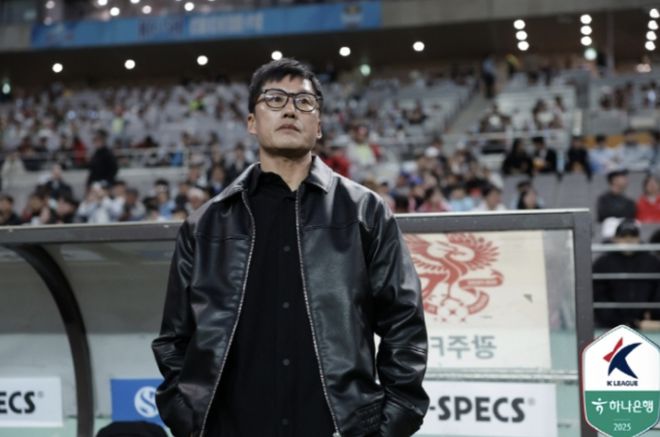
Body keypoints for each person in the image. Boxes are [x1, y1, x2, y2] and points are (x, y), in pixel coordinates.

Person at [152, 58, 429, 437]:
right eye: (274, 99)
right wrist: (185, 413)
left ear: (319, 125)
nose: (289, 110)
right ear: (252, 122)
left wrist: (392, 420)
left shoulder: (365, 212)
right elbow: (173, 338)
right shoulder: (206, 224)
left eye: (304, 102)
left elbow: (404, 323)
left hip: (336, 427)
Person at [593, 219, 660, 330]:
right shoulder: (602, 263)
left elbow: (657, 292)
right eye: (623, 236)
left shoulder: (652, 262)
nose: (628, 239)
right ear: (615, 238)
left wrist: (653, 313)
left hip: (646, 326)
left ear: (639, 238)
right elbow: (599, 297)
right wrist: (622, 322)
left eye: (633, 235)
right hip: (609, 328)